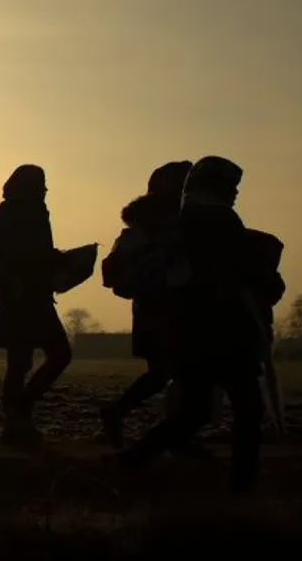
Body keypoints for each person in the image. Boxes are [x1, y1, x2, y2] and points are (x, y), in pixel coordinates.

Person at [110, 157, 282, 494]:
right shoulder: (219, 222)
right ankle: (243, 485)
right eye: (230, 187)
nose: (234, 193)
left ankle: (129, 461)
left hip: (186, 331)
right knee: (247, 409)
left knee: (194, 412)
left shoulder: (178, 226)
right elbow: (246, 274)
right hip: (224, 331)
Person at [98, 161, 193, 446]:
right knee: (180, 373)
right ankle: (174, 437)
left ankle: (120, 413)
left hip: (152, 306)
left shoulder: (144, 228)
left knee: (166, 372)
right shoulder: (166, 227)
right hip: (167, 308)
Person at [0, 164, 72, 447]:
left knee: (19, 364)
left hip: (20, 301)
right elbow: (22, 258)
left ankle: (17, 419)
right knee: (54, 355)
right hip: (26, 301)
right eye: (40, 184)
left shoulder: (13, 216)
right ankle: (20, 414)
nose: (44, 190)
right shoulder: (27, 217)